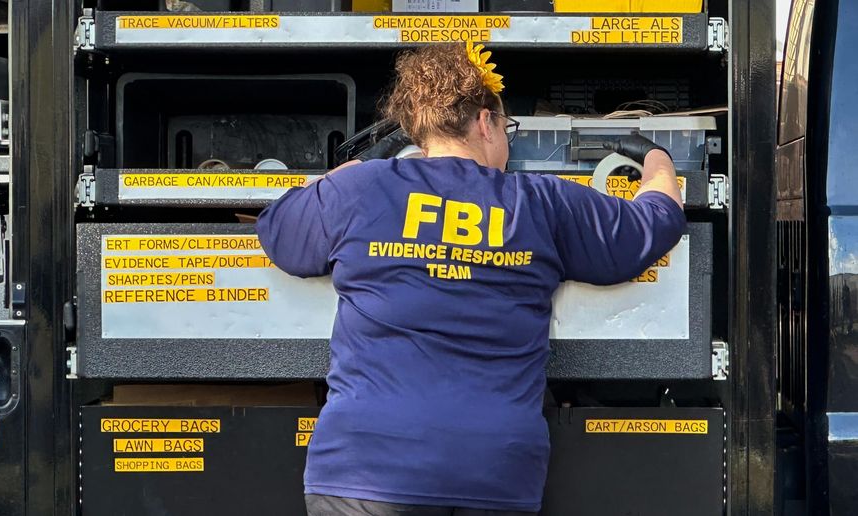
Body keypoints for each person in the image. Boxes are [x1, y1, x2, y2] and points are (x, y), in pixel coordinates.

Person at [256, 42, 686, 516]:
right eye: (507, 126)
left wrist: (362, 165)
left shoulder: (360, 190)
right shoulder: (541, 204)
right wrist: (657, 159)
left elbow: (279, 227)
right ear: (485, 123)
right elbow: (653, 223)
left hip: (366, 468)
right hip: (493, 471)